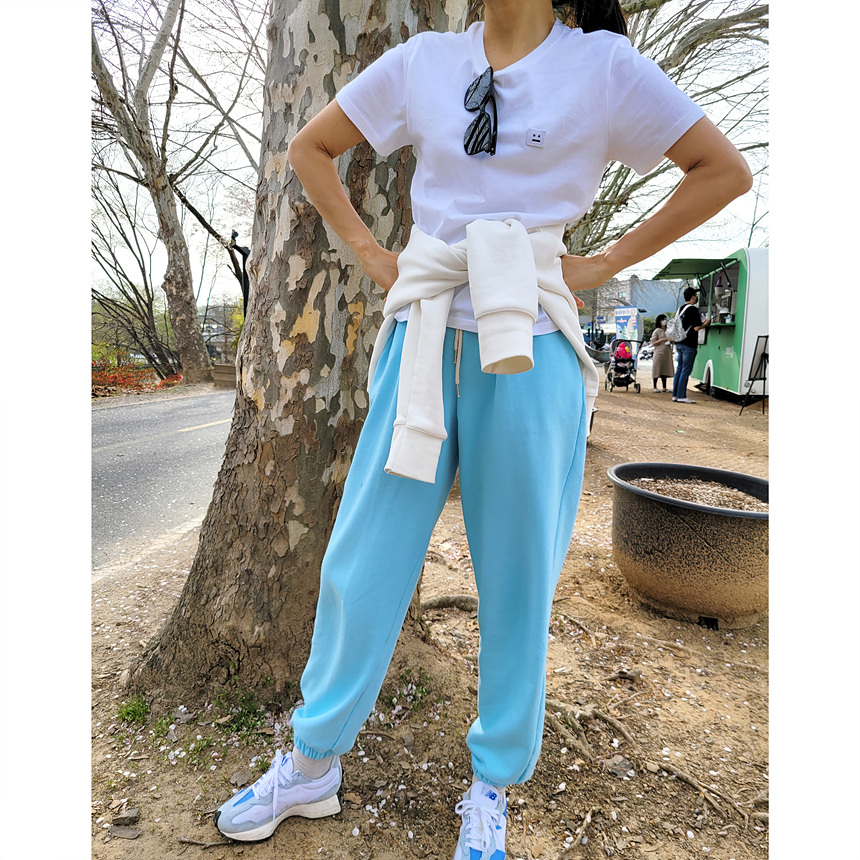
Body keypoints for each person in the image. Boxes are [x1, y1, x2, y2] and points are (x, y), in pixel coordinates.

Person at [213, 1, 752, 856]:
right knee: (364, 556)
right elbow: (311, 147)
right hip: (422, 335)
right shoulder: (423, 61)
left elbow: (722, 170)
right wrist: (372, 254)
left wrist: (603, 263)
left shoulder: (603, 66)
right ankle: (312, 763)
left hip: (533, 348)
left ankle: (492, 785)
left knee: (517, 577)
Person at [672, 286, 711, 403]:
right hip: (689, 344)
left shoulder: (680, 309)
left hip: (679, 342)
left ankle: (675, 395)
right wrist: (705, 324)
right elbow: (696, 327)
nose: (696, 297)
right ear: (693, 297)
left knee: (679, 369)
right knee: (685, 370)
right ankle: (681, 396)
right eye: (696, 295)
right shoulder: (693, 309)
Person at [650, 313, 674, 391]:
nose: (665, 321)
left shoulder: (668, 330)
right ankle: (655, 386)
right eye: (663, 319)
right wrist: (662, 340)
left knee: (665, 369)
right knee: (657, 369)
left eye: (665, 319)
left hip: (667, 352)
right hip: (659, 352)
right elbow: (653, 343)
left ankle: (664, 387)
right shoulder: (657, 331)